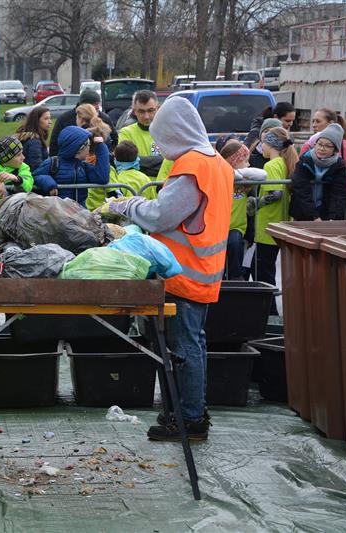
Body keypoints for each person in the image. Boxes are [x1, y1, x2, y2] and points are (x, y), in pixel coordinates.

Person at [98, 97, 233, 441]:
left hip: (183, 273)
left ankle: (188, 419)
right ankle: (187, 413)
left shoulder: (192, 165)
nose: (162, 147)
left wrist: (125, 204)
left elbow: (163, 215)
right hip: (202, 270)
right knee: (192, 346)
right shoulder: (215, 161)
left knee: (184, 349)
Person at [251, 127, 297, 313]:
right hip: (278, 224)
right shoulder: (284, 163)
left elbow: (275, 193)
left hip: (267, 227)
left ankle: (270, 314)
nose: (261, 146)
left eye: (264, 143)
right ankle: (269, 312)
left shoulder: (271, 165)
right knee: (263, 270)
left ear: (271, 145)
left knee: (263, 273)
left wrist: (256, 202)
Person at [217, 139, 266, 280]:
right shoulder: (220, 176)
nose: (249, 164)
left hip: (236, 227)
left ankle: (235, 277)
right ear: (234, 161)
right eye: (245, 160)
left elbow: (262, 175)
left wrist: (236, 173)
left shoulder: (243, 182)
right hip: (218, 227)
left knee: (234, 242)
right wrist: (231, 173)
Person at [32, 126, 110, 207]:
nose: (89, 148)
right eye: (88, 145)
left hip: (79, 211)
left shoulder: (83, 166)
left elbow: (102, 178)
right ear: (79, 148)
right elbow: (35, 176)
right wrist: (48, 183)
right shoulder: (53, 163)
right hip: (58, 211)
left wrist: (101, 146)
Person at [290, 123, 346, 222]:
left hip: (328, 214)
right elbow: (301, 189)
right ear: (315, 144)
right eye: (319, 144)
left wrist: (333, 217)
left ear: (335, 150)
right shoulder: (305, 161)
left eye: (328, 146)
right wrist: (314, 216)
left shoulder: (339, 167)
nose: (322, 148)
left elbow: (340, 194)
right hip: (303, 214)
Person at [50, 89, 118, 154]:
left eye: (98, 103)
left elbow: (114, 139)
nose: (98, 107)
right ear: (84, 105)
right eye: (94, 104)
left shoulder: (104, 118)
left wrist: (106, 153)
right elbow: (54, 144)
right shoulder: (64, 119)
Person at [117, 90, 166, 177]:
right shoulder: (126, 132)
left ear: (158, 108)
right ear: (134, 111)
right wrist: (160, 162)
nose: (146, 116)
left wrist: (138, 163)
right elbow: (126, 164)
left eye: (151, 111)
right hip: (137, 189)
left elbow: (173, 162)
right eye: (141, 111)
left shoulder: (167, 132)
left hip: (161, 189)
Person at [0, 136, 34, 201]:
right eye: (18, 155)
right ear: (5, 160)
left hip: (16, 209)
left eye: (22, 153)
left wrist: (16, 179)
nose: (23, 157)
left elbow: (28, 186)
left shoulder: (23, 167)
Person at [300, 108, 346, 172]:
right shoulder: (308, 144)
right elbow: (300, 169)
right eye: (313, 121)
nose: (313, 125)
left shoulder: (345, 145)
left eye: (318, 121)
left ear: (331, 123)